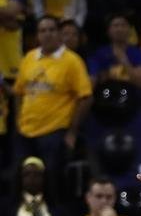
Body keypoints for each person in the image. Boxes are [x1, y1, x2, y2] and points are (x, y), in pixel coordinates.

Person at [11, 16, 92, 201]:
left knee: (52, 183)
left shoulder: (71, 61)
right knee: (20, 181)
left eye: (51, 30)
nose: (47, 34)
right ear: (37, 35)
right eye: (42, 30)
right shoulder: (29, 58)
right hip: (25, 132)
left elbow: (86, 97)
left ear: (58, 34)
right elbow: (18, 92)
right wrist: (17, 121)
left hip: (54, 132)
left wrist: (72, 132)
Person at [88, 12, 141, 90]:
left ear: (130, 30)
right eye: (115, 26)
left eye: (123, 25)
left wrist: (124, 61)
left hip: (132, 96)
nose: (119, 29)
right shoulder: (99, 54)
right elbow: (96, 79)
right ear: (108, 31)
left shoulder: (139, 53)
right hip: (107, 95)